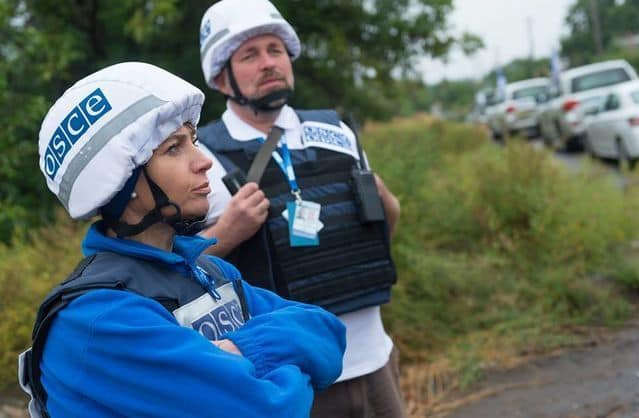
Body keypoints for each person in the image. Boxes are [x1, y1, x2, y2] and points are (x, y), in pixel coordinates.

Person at [18, 61, 346, 418]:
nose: (203, 161)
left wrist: (241, 348)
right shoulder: (97, 319)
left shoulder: (210, 270)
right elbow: (272, 408)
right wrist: (284, 358)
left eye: (193, 141)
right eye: (174, 148)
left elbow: (327, 334)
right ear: (121, 185)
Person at [196, 1, 404, 416]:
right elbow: (168, 270)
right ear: (221, 77)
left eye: (275, 50)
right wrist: (227, 233)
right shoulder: (200, 156)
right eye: (250, 55)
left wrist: (388, 204)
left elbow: (384, 226)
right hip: (289, 382)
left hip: (375, 362)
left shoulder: (336, 131)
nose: (268, 63)